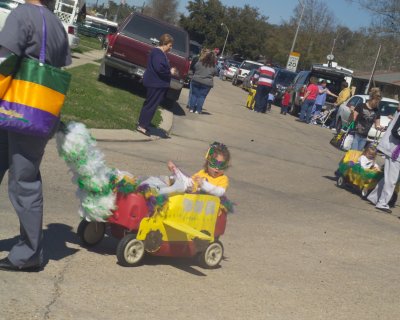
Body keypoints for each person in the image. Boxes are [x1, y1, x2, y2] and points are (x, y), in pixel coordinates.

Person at [0, 0, 71, 272]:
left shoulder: (23, 15)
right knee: (25, 176)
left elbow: (4, 62)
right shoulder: (57, 25)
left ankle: (29, 252)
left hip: (15, 110)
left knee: (24, 182)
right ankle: (28, 249)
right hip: (37, 113)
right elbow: (56, 68)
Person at [141, 142, 230, 197]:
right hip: (188, 196)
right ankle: (146, 184)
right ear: (208, 162)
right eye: (214, 163)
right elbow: (188, 181)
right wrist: (175, 169)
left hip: (200, 205)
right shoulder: (202, 173)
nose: (217, 168)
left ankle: (154, 192)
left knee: (177, 187)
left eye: (222, 165)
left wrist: (204, 184)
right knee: (172, 180)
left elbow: (219, 192)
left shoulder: (222, 179)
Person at [137, 34, 177, 136]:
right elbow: (159, 68)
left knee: (150, 104)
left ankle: (142, 123)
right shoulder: (158, 53)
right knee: (151, 105)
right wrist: (170, 71)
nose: (171, 48)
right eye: (170, 45)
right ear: (164, 44)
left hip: (156, 83)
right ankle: (142, 126)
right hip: (155, 83)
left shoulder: (158, 53)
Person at [367, 110, 400, 213]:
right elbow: (396, 131)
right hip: (395, 151)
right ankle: (382, 203)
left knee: (389, 177)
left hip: (394, 150)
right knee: (391, 179)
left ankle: (374, 197)